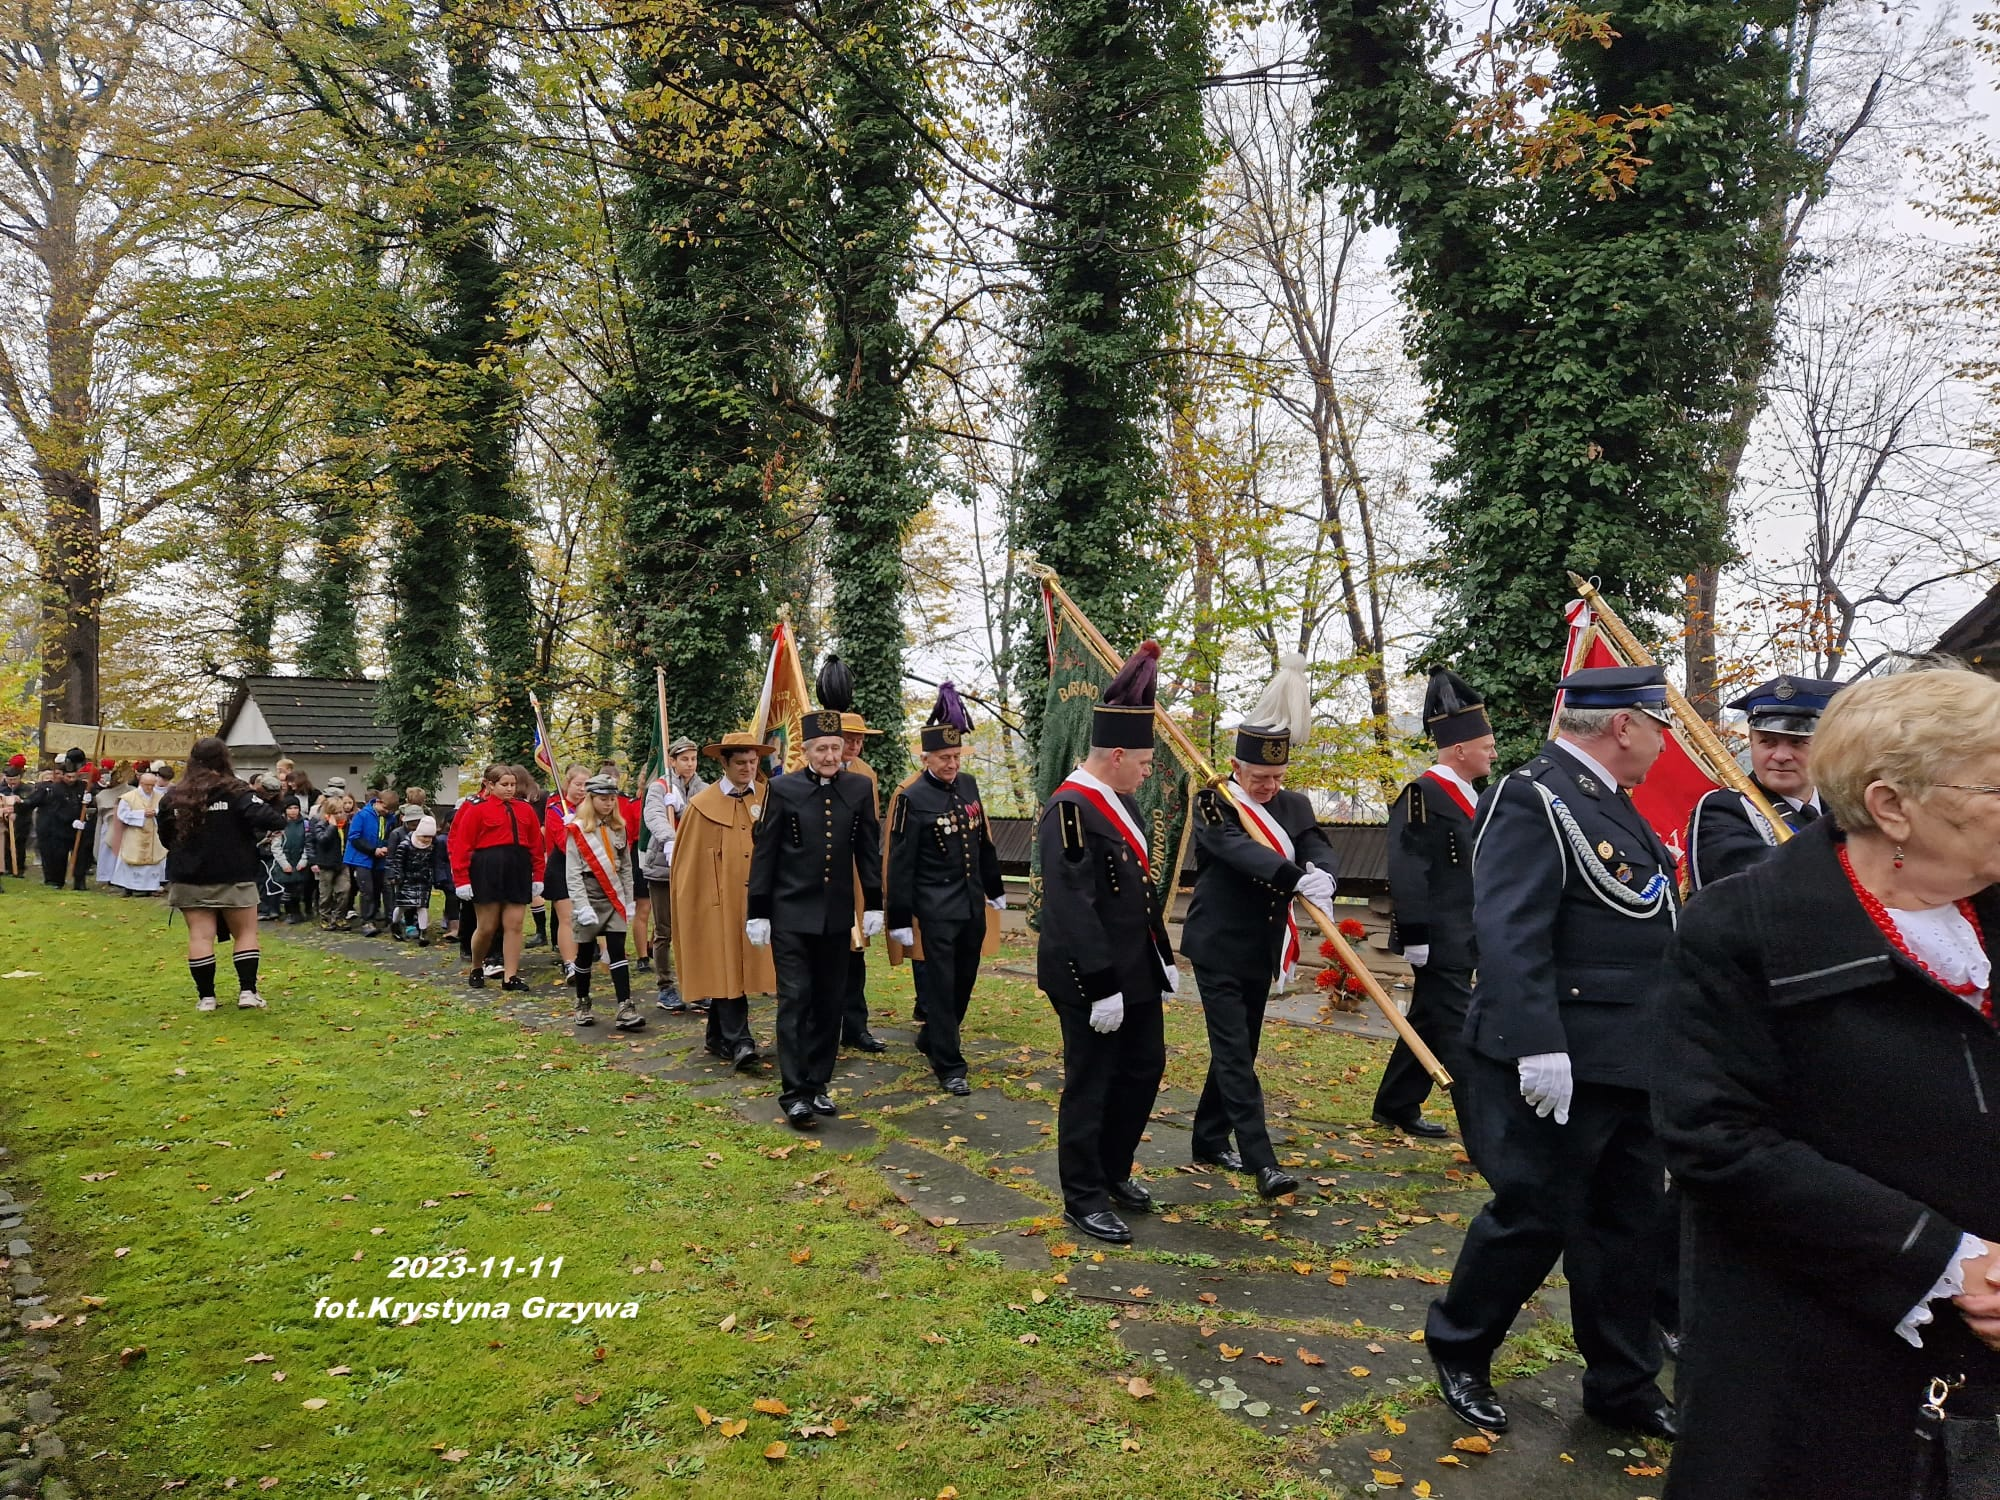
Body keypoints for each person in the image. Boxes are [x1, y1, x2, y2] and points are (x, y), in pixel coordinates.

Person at [1654, 665, 2000, 1499]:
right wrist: (1949, 1263)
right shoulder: (1743, 928)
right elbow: (1716, 1139)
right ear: (1892, 807)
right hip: (1813, 1353)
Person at [1422, 665, 1681, 1440]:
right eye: (1658, 725)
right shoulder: (1536, 794)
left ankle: (1622, 1382)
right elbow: (1507, 926)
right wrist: (1538, 1044)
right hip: (1559, 1061)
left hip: (1631, 1056)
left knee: (1626, 1227)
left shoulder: (1608, 801)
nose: (1665, 741)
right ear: (1625, 725)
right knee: (1534, 1216)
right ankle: (1460, 1346)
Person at [1036, 641, 1177, 1246]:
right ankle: (1084, 1195)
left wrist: (1160, 959)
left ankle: (1115, 1171)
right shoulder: (1071, 810)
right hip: (1089, 976)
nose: (1148, 774)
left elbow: (1137, 894)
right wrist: (1100, 985)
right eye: (1144, 763)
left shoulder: (1124, 805)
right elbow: (1072, 906)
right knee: (1091, 1082)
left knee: (1145, 1068)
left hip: (1135, 969)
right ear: (1116, 754)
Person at [1181, 654, 1338, 1198]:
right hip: (1218, 945)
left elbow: (1318, 842)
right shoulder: (1214, 803)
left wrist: (1324, 877)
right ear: (1235, 766)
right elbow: (1237, 851)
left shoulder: (1292, 802)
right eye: (1259, 777)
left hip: (1264, 946)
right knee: (1232, 1051)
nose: (1269, 787)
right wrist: (1295, 877)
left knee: (1239, 1048)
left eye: (1277, 776)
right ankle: (1261, 1159)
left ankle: (1206, 1137)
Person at [1373, 666, 1496, 1140]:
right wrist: (1417, 934)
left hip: (1466, 933)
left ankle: (1395, 1103)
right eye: (1486, 746)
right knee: (1460, 1032)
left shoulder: (1473, 796)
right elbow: (1407, 868)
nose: (1493, 753)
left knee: (1426, 1018)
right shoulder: (1423, 794)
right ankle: (1486, 1130)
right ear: (1460, 749)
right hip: (1440, 939)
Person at [746, 706, 884, 1129]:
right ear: (805, 751)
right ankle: (795, 1093)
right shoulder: (783, 789)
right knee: (795, 999)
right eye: (821, 748)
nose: (829, 755)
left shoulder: (860, 787)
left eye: (835, 748)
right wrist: (759, 912)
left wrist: (875, 902)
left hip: (835, 915)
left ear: (845, 750)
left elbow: (867, 850)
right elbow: (766, 853)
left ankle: (818, 1084)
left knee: (830, 1003)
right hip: (790, 913)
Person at [886, 683, 1005, 1096]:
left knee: (964, 980)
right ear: (927, 758)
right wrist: (900, 918)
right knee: (938, 984)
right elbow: (901, 861)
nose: (952, 764)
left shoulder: (969, 786)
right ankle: (950, 1064)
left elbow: (981, 840)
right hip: (934, 908)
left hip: (970, 904)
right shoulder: (912, 798)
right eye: (944, 758)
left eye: (956, 757)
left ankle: (934, 1036)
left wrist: (994, 886)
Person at [158, 737, 289, 1011]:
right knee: (245, 933)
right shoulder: (236, 791)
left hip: (189, 875)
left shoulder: (174, 795)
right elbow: (273, 820)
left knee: (200, 936)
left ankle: (206, 998)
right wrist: (274, 799)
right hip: (234, 872)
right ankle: (247, 992)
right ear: (225, 759)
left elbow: (165, 837)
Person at [671, 733, 776, 1070]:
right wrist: (698, 905)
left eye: (753, 762)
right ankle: (740, 1040)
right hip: (720, 902)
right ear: (724, 764)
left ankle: (718, 1035)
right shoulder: (702, 806)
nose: (748, 769)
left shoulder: (770, 797)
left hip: (763, 900)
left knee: (742, 966)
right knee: (726, 963)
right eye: (741, 763)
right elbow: (688, 866)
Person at [1685, 674, 1841, 891]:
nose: (1781, 755)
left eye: (1797, 742)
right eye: (1768, 742)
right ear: (1751, 742)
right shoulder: (1725, 808)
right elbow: (1758, 887)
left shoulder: (1845, 809)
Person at [816, 654, 891, 1054]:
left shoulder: (866, 775)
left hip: (856, 878)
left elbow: (871, 832)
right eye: (850, 739)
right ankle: (822, 1024)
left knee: (856, 954)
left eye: (860, 740)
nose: (856, 745)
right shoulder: (806, 769)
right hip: (820, 878)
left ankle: (856, 1026)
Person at [449, 763, 545, 992]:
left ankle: (510, 976)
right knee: (487, 926)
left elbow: (535, 844)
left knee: (515, 924)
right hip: (487, 868)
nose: (510, 789)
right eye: (504, 785)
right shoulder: (477, 810)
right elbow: (462, 846)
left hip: (518, 868)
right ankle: (476, 966)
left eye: (512, 785)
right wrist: (461, 879)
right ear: (490, 785)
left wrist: (537, 875)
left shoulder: (525, 809)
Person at [566, 774, 645, 1031]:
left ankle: (625, 1005)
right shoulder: (577, 829)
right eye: (603, 799)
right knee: (585, 954)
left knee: (618, 950)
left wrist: (628, 899)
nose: (609, 803)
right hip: (588, 892)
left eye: (612, 798)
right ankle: (582, 1002)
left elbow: (625, 867)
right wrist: (581, 904)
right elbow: (573, 871)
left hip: (614, 895)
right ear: (591, 799)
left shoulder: (618, 827)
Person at [642, 736, 705, 1012]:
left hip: (694, 865)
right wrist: (670, 838)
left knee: (693, 928)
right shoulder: (660, 787)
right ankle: (665, 986)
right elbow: (653, 814)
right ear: (672, 761)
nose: (690, 764)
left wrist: (686, 809)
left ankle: (698, 984)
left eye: (693, 759)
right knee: (664, 930)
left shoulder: (702, 787)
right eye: (684, 759)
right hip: (663, 867)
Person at [544, 763, 590, 979]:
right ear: (568, 784)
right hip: (562, 865)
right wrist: (569, 829)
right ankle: (569, 963)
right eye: (578, 784)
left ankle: (584, 959)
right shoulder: (555, 809)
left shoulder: (592, 809)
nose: (582, 789)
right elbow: (561, 843)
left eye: (585, 785)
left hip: (588, 865)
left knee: (585, 916)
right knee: (567, 917)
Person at [101, 762, 169, 896]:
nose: (149, 788)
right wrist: (141, 814)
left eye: (152, 785)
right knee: (131, 860)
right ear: (141, 783)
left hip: (153, 834)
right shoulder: (128, 797)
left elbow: (164, 811)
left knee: (152, 862)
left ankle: (150, 887)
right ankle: (129, 887)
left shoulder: (160, 797)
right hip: (134, 833)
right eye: (147, 785)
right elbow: (122, 814)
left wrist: (155, 812)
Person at [22, 752, 88, 888]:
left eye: (74, 777)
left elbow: (88, 804)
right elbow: (56, 809)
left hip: (80, 827)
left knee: (81, 856)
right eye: (68, 777)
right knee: (59, 856)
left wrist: (88, 803)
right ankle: (57, 880)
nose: (71, 779)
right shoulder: (55, 789)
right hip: (61, 827)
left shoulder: (83, 787)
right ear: (63, 776)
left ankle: (79, 881)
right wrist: (70, 820)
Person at [345, 787, 398, 935]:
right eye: (386, 808)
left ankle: (382, 917)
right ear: (379, 802)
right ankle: (367, 921)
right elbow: (354, 837)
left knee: (379, 888)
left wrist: (386, 847)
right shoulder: (362, 815)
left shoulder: (389, 818)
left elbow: (389, 835)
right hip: (362, 858)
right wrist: (373, 850)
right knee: (366, 890)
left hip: (380, 859)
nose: (387, 812)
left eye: (390, 810)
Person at [384, 808, 437, 943]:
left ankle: (423, 933)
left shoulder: (431, 847)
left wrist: (431, 877)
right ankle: (395, 925)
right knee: (401, 906)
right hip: (406, 880)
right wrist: (397, 876)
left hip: (423, 880)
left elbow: (432, 863)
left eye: (430, 837)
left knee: (422, 906)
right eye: (424, 836)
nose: (427, 840)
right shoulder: (405, 845)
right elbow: (398, 862)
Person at [310, 793, 353, 927]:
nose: (341, 815)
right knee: (326, 894)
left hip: (342, 863)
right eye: (337, 813)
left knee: (345, 890)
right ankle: (325, 918)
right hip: (326, 864)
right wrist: (332, 827)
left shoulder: (346, 825)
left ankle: (339, 916)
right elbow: (322, 840)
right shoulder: (321, 824)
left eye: (342, 812)